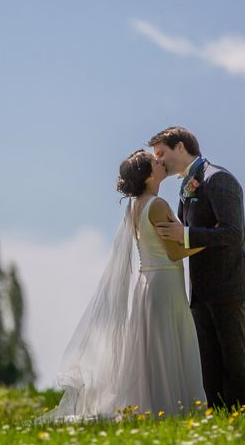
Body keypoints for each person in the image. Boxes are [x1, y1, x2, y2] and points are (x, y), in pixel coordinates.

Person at [37, 149, 205, 423]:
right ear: (148, 175)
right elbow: (175, 253)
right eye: (155, 162)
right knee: (169, 346)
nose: (161, 162)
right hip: (163, 284)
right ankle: (172, 410)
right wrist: (210, 242)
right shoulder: (158, 204)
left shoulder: (134, 206)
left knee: (155, 350)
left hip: (146, 284)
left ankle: (161, 409)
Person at [151, 126, 245, 412]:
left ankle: (238, 418)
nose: (160, 161)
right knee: (208, 360)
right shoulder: (187, 185)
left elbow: (232, 233)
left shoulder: (219, 179)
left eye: (162, 153)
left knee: (232, 357)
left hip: (228, 284)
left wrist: (185, 235)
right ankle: (216, 418)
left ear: (181, 148)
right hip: (201, 289)